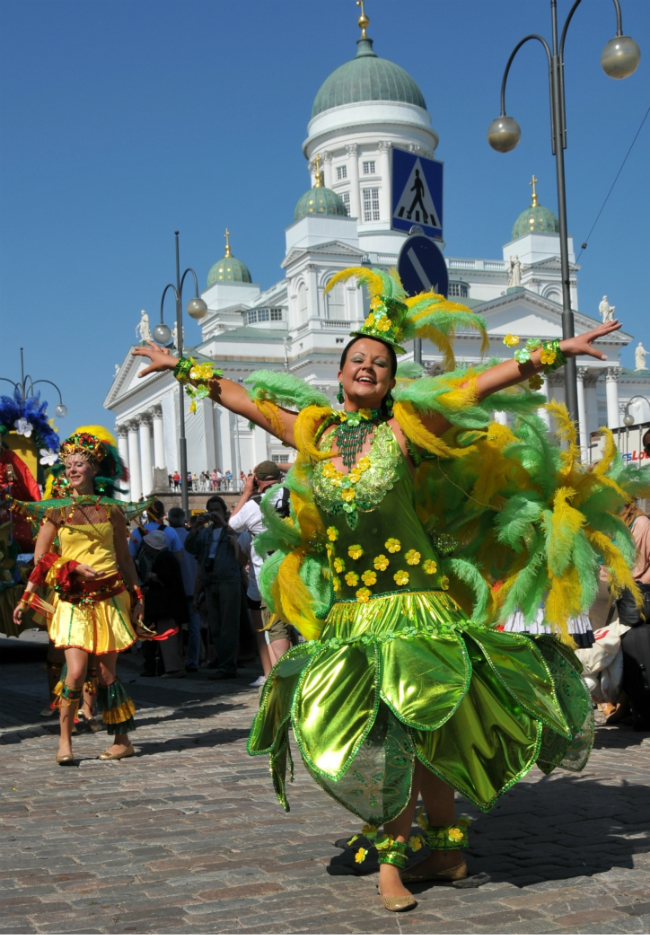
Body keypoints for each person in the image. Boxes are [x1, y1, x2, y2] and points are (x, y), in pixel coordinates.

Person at [133, 267, 639, 912]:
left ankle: (395, 863)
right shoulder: (311, 433)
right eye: (357, 360)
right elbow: (239, 397)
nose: (367, 367)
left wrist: (551, 352)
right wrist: (180, 364)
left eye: (379, 362)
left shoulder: (404, 433)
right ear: (340, 376)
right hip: (352, 613)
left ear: (392, 381)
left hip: (413, 606)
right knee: (398, 733)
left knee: (405, 729)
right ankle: (447, 850)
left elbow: (471, 387)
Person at [12, 426, 147, 764]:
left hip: (110, 597)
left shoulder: (112, 510)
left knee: (105, 674)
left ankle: (122, 740)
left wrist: (138, 593)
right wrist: (27, 596)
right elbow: (43, 559)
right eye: (68, 464)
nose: (72, 469)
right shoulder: (55, 510)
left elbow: (125, 557)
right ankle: (64, 742)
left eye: (79, 464)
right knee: (73, 672)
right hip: (72, 598)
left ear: (95, 470)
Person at [228, 461, 292, 686]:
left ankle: (286, 679)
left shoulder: (254, 504)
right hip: (299, 569)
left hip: (270, 575)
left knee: (276, 627)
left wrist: (246, 492)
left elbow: (233, 524)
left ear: (257, 481)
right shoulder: (293, 494)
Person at [184, 495, 242, 680]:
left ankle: (228, 666)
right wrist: (194, 529)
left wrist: (224, 524)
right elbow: (190, 548)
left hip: (228, 580)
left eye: (217, 509)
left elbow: (241, 546)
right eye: (211, 510)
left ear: (223, 510)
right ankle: (222, 662)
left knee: (229, 625)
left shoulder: (232, 529)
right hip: (211, 581)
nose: (214, 513)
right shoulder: (205, 533)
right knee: (215, 627)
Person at [615, 501, 650, 730]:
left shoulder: (642, 524)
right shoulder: (615, 524)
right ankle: (630, 708)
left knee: (639, 657)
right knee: (623, 658)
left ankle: (644, 712)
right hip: (618, 595)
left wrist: (640, 584)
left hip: (637, 597)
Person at [137, 530, 187, 678]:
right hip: (171, 605)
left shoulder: (163, 557)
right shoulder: (167, 556)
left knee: (168, 638)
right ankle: (172, 667)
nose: (146, 548)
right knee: (170, 638)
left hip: (167, 606)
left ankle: (173, 668)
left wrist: (152, 577)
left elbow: (165, 579)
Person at [167, 506, 202, 672]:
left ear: (169, 519)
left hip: (175, 588)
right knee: (195, 627)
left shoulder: (168, 536)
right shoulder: (191, 536)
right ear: (184, 519)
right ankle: (193, 660)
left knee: (175, 627)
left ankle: (176, 659)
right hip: (193, 586)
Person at [128, 499, 183, 563]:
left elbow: (131, 559)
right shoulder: (171, 531)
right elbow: (178, 558)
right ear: (163, 514)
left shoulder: (136, 532)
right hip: (164, 571)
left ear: (147, 514)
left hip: (143, 571)